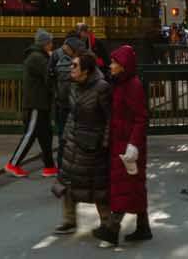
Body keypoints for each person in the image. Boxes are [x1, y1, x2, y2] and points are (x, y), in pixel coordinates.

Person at [54, 53, 112, 241]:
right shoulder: (74, 86)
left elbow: (110, 119)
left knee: (97, 185)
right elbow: (73, 113)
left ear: (85, 71)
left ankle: (106, 222)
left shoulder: (102, 88)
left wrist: (104, 143)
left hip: (92, 144)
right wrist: (66, 136)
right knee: (68, 181)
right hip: (73, 141)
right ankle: (69, 220)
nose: (71, 68)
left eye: (75, 66)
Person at [106, 46, 149, 242]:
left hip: (128, 144)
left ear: (123, 66)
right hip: (122, 141)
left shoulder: (132, 85)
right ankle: (143, 227)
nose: (111, 65)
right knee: (134, 185)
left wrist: (133, 144)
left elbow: (140, 117)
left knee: (126, 185)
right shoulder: (121, 83)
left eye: (114, 62)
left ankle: (113, 228)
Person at [6, 29, 56, 178]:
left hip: (41, 102)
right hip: (36, 103)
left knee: (45, 135)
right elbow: (49, 75)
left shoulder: (38, 56)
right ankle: (13, 164)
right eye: (50, 43)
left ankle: (50, 167)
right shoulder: (37, 58)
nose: (52, 45)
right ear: (45, 44)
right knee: (30, 134)